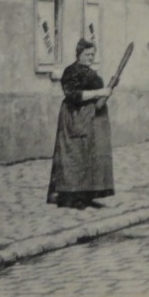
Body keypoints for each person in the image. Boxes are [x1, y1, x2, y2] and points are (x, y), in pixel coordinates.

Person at [46, 38, 117, 210]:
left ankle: (87, 195)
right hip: (74, 116)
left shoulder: (91, 73)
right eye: (87, 54)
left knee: (91, 156)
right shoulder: (71, 71)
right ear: (79, 54)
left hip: (92, 118)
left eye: (93, 54)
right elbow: (73, 95)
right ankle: (70, 196)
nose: (90, 57)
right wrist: (100, 92)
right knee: (74, 156)